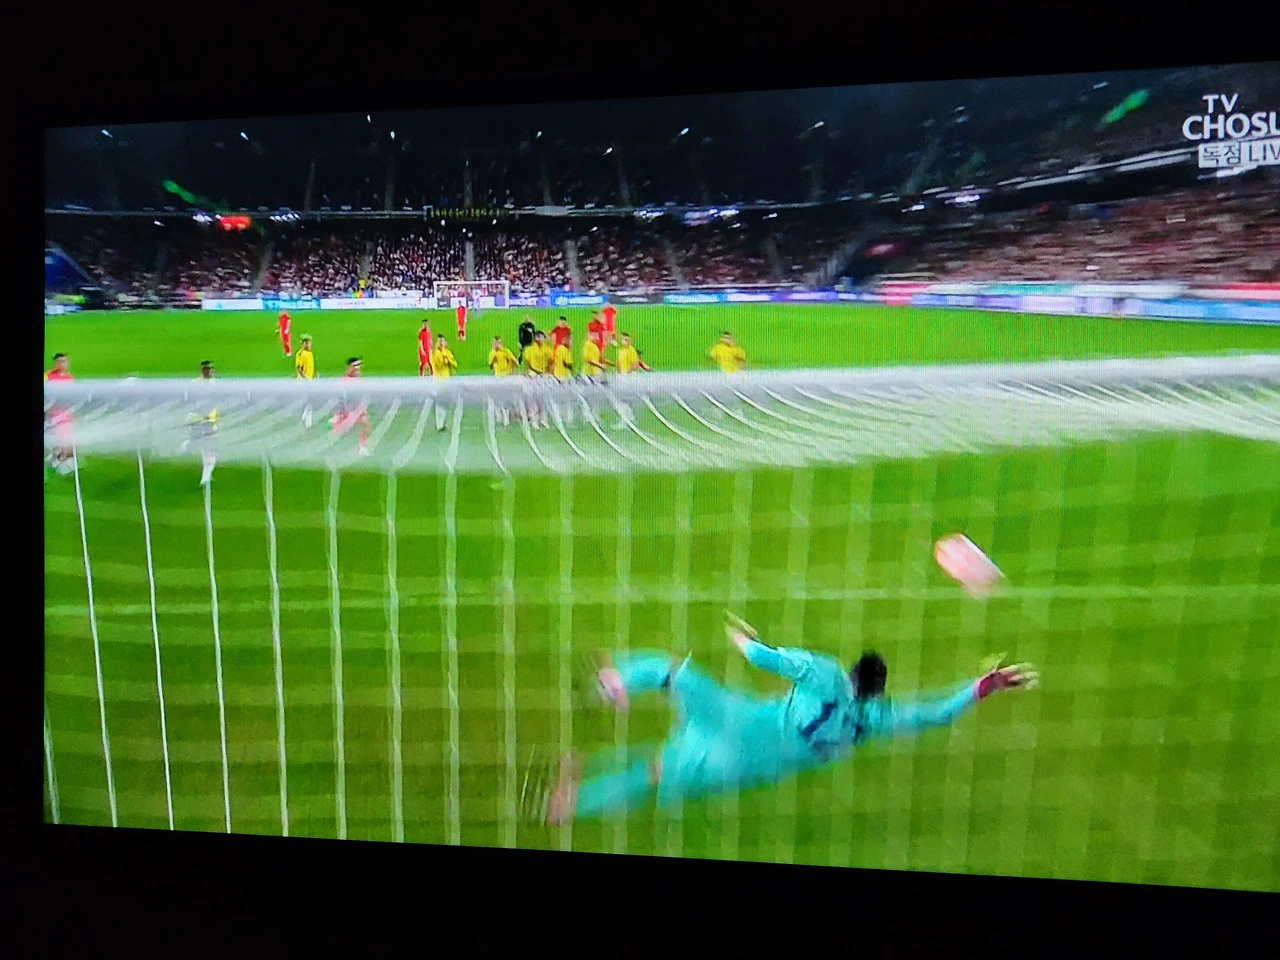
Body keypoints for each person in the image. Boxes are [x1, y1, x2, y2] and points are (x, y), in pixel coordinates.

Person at [535, 612, 1038, 825]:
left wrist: (743, 639)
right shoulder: (876, 720)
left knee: (673, 673)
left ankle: (613, 684)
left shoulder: (825, 674)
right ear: (878, 691)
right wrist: (983, 686)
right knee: (656, 772)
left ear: (852, 670)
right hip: (751, 766)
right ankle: (568, 803)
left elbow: (762, 658)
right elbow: (936, 714)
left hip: (742, 724)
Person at [183, 360, 220, 486]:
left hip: (209, 420)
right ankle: (187, 445)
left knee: (209, 449)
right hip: (198, 419)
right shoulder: (194, 384)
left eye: (210, 369)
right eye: (206, 369)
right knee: (200, 444)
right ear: (202, 370)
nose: (208, 371)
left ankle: (206, 477)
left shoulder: (216, 384)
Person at [331, 357, 371, 456]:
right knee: (341, 431)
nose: (358, 368)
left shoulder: (359, 379)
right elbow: (343, 398)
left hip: (358, 409)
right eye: (355, 366)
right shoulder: (345, 381)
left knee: (366, 425)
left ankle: (362, 447)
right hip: (348, 410)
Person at [44, 352, 75, 475]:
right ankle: (55, 459)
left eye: (64, 361)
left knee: (66, 438)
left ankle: (62, 462)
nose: (63, 364)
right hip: (52, 412)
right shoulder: (48, 376)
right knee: (55, 437)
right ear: (56, 363)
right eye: (60, 362)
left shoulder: (69, 378)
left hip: (65, 412)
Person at [488, 336, 518, 427]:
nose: (497, 345)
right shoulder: (492, 353)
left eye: (499, 343)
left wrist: (512, 371)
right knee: (497, 397)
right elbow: (490, 364)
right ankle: (499, 417)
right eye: (495, 343)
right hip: (497, 377)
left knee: (506, 397)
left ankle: (506, 417)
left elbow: (515, 361)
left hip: (506, 376)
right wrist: (494, 352)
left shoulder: (506, 351)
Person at [431, 335, 459, 431]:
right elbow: (438, 364)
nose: (442, 343)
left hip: (447, 380)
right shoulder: (435, 353)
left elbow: (454, 364)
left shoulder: (448, 352)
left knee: (445, 402)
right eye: (440, 341)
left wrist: (448, 359)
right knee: (439, 402)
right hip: (438, 380)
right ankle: (439, 423)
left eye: (443, 341)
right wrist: (444, 354)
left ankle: (442, 422)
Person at [295, 335, 316, 428]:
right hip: (303, 381)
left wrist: (313, 376)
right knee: (309, 399)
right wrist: (305, 378)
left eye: (309, 343)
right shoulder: (301, 354)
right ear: (303, 344)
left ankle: (305, 416)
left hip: (309, 380)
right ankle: (307, 420)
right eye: (307, 343)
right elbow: (299, 368)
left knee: (309, 399)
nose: (309, 345)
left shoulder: (310, 354)